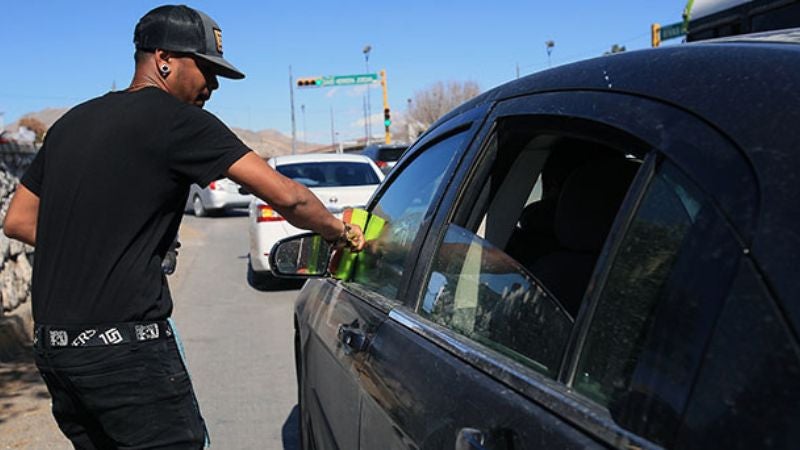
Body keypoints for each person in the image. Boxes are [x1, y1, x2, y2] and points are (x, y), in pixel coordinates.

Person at [2, 5, 363, 449]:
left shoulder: (69, 125)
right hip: (127, 355)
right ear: (163, 59)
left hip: (57, 354)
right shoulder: (179, 121)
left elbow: (17, 220)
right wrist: (340, 233)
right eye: (206, 69)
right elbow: (288, 195)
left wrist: (102, 245)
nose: (211, 85)